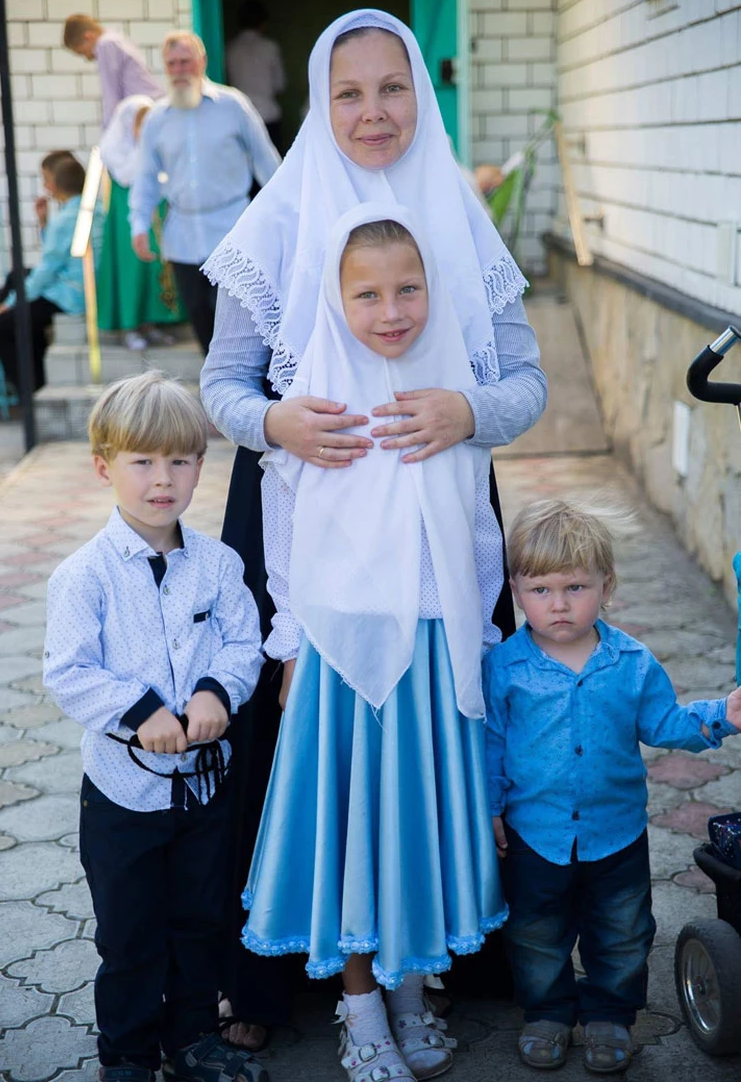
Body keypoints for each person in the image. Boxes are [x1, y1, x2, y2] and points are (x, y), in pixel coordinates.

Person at [200, 7, 546, 1047]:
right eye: (347, 92)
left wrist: (467, 411)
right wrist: (274, 419)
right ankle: (291, 989)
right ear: (319, 101)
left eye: (391, 88)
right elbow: (219, 384)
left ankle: (425, 973)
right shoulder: (277, 224)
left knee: (433, 751)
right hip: (309, 516)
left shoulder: (461, 220)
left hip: (439, 517)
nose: (372, 111)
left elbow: (526, 383)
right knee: (310, 755)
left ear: (421, 95)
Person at [243, 204, 507, 1082]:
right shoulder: (315, 402)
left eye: (409, 290)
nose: (391, 311)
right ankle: (357, 1006)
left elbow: (477, 533)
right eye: (367, 295)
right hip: (345, 648)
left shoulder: (448, 395)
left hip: (436, 641)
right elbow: (286, 529)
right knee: (355, 826)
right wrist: (289, 640)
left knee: (413, 823)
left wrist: (484, 632)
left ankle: (407, 988)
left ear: (436, 291)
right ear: (334, 298)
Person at [42, 371, 266, 1082]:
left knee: (201, 917)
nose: (162, 479)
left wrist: (214, 692)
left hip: (203, 791)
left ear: (202, 464)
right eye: (142, 461)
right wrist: (141, 712)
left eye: (180, 460)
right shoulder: (84, 577)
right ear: (105, 466)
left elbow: (241, 644)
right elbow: (69, 670)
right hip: (122, 795)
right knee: (131, 933)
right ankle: (130, 1051)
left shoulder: (219, 566)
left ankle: (194, 1034)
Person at [483, 498, 741, 1074]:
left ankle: (610, 1015)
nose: (558, 604)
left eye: (575, 587)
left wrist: (722, 712)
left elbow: (664, 723)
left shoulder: (632, 661)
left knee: (622, 931)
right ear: (516, 590)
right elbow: (492, 744)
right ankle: (547, 1013)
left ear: (607, 585)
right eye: (540, 589)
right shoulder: (503, 666)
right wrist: (491, 807)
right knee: (535, 933)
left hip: (617, 832)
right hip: (535, 833)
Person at [130, 31, 281, 357]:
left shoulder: (233, 105)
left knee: (239, 318)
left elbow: (265, 159)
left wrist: (283, 213)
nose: (179, 69)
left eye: (185, 61)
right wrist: (139, 224)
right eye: (172, 64)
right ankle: (215, 387)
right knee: (199, 316)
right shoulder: (157, 117)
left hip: (232, 230)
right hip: (183, 236)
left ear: (202, 62)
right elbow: (145, 176)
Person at [0, 154, 93, 392]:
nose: (44, 186)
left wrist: (9, 303)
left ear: (55, 185)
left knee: (0, 328)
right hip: (73, 284)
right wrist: (45, 223)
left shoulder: (67, 219)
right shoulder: (89, 210)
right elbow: (60, 255)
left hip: (71, 295)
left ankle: (31, 389)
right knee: (17, 275)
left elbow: (48, 269)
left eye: (46, 180)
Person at [98, 95, 185, 350]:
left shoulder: (153, 152)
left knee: (154, 270)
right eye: (140, 124)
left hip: (156, 218)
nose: (145, 130)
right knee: (131, 271)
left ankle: (152, 323)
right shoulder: (117, 154)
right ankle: (129, 326)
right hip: (128, 223)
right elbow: (127, 177)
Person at [63, 14, 164, 128]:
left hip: (145, 113)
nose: (87, 57)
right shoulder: (116, 38)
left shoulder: (105, 45)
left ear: (88, 37)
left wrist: (107, 136)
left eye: (82, 52)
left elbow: (111, 95)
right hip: (154, 107)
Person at [225, 0, 286, 153]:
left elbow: (227, 83)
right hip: (268, 115)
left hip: (240, 117)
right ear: (263, 23)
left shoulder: (230, 49)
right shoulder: (270, 47)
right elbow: (280, 84)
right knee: (273, 169)